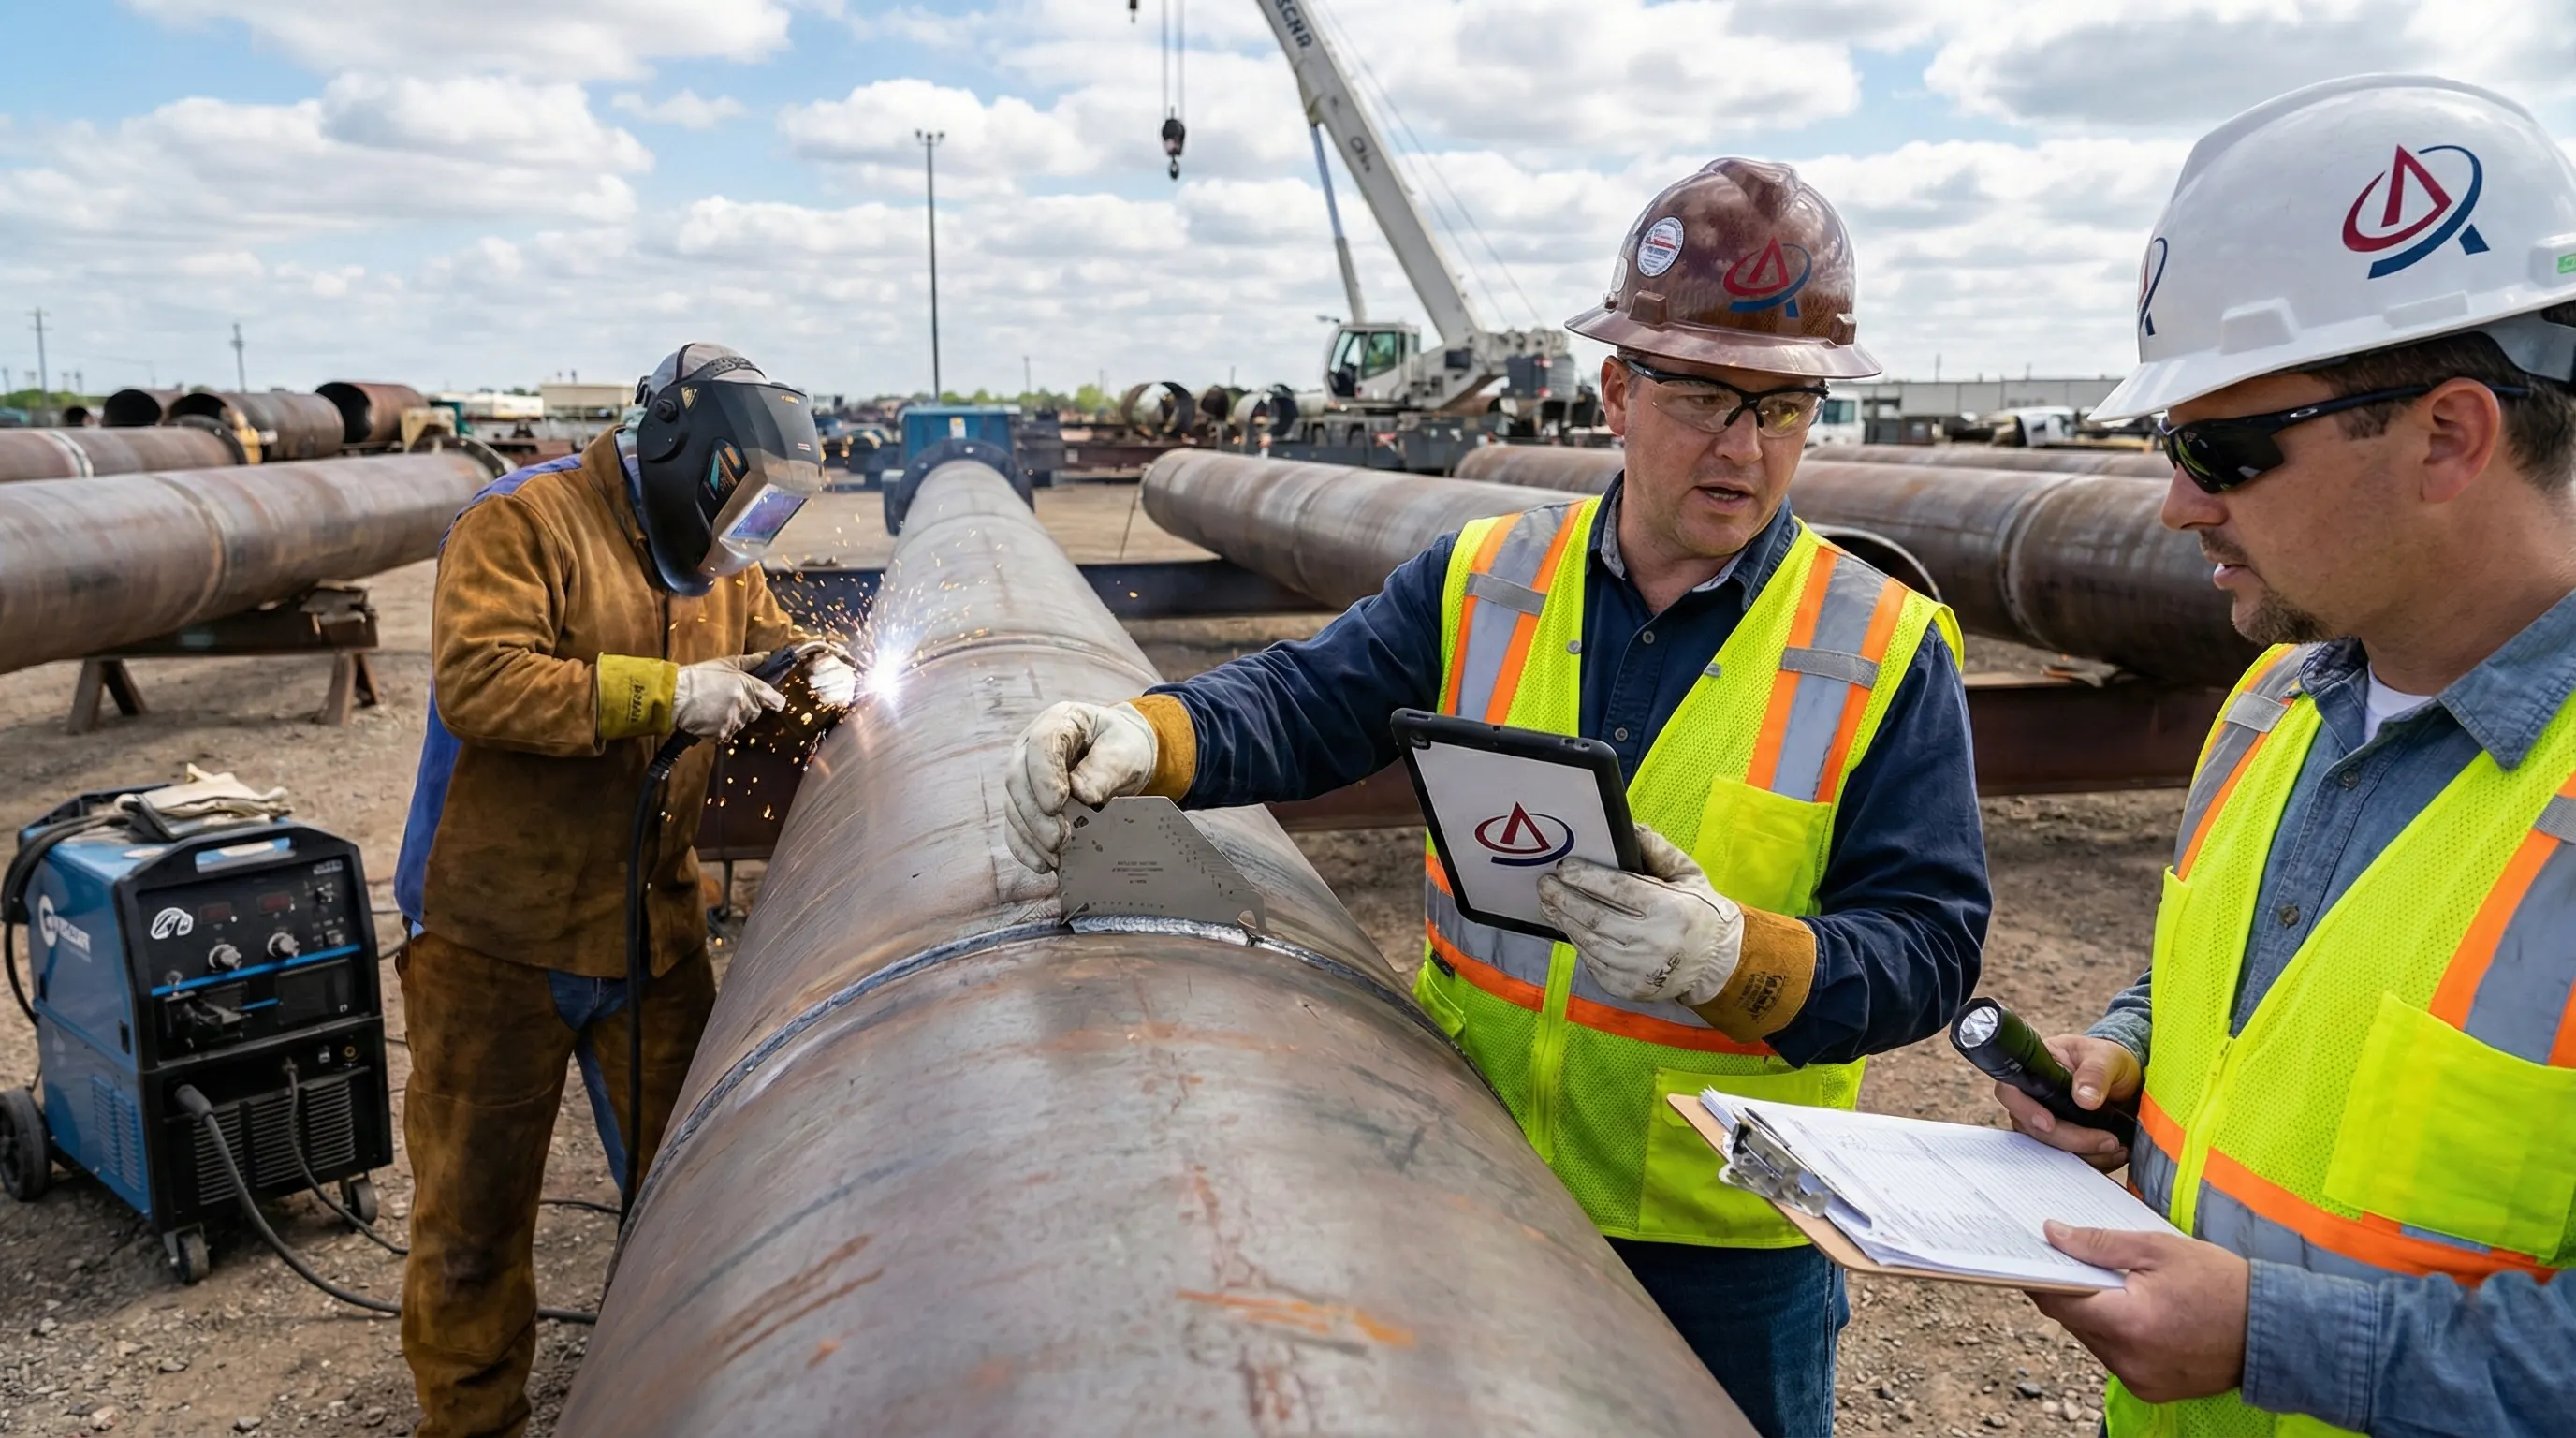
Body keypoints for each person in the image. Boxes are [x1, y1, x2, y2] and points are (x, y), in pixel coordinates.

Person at [1004, 160, 1988, 1436]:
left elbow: (1929, 943)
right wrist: (1148, 738)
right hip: (1474, 1173)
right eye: (1703, 396)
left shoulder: (1885, 646)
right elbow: (1311, 701)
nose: (1745, 446)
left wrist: (1732, 956)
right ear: (1620, 393)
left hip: (1724, 1241)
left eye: (1785, 406)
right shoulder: (1486, 577)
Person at [1995, 76, 2576, 1436]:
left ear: (2448, 435)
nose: (2176, 500)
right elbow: (2256, 1000)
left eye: (2221, 448)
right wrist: (2127, 1055)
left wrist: (2276, 1336)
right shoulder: (2274, 702)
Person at [392, 343, 842, 1437]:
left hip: (651, 930)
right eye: (739, 504)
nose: (746, 537)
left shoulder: (722, 553)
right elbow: (481, 679)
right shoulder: (522, 521)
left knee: (694, 1189)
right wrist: (667, 694)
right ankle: (473, 1423)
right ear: (683, 456)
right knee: (474, 1224)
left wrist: (819, 670)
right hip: (493, 942)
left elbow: (771, 649)